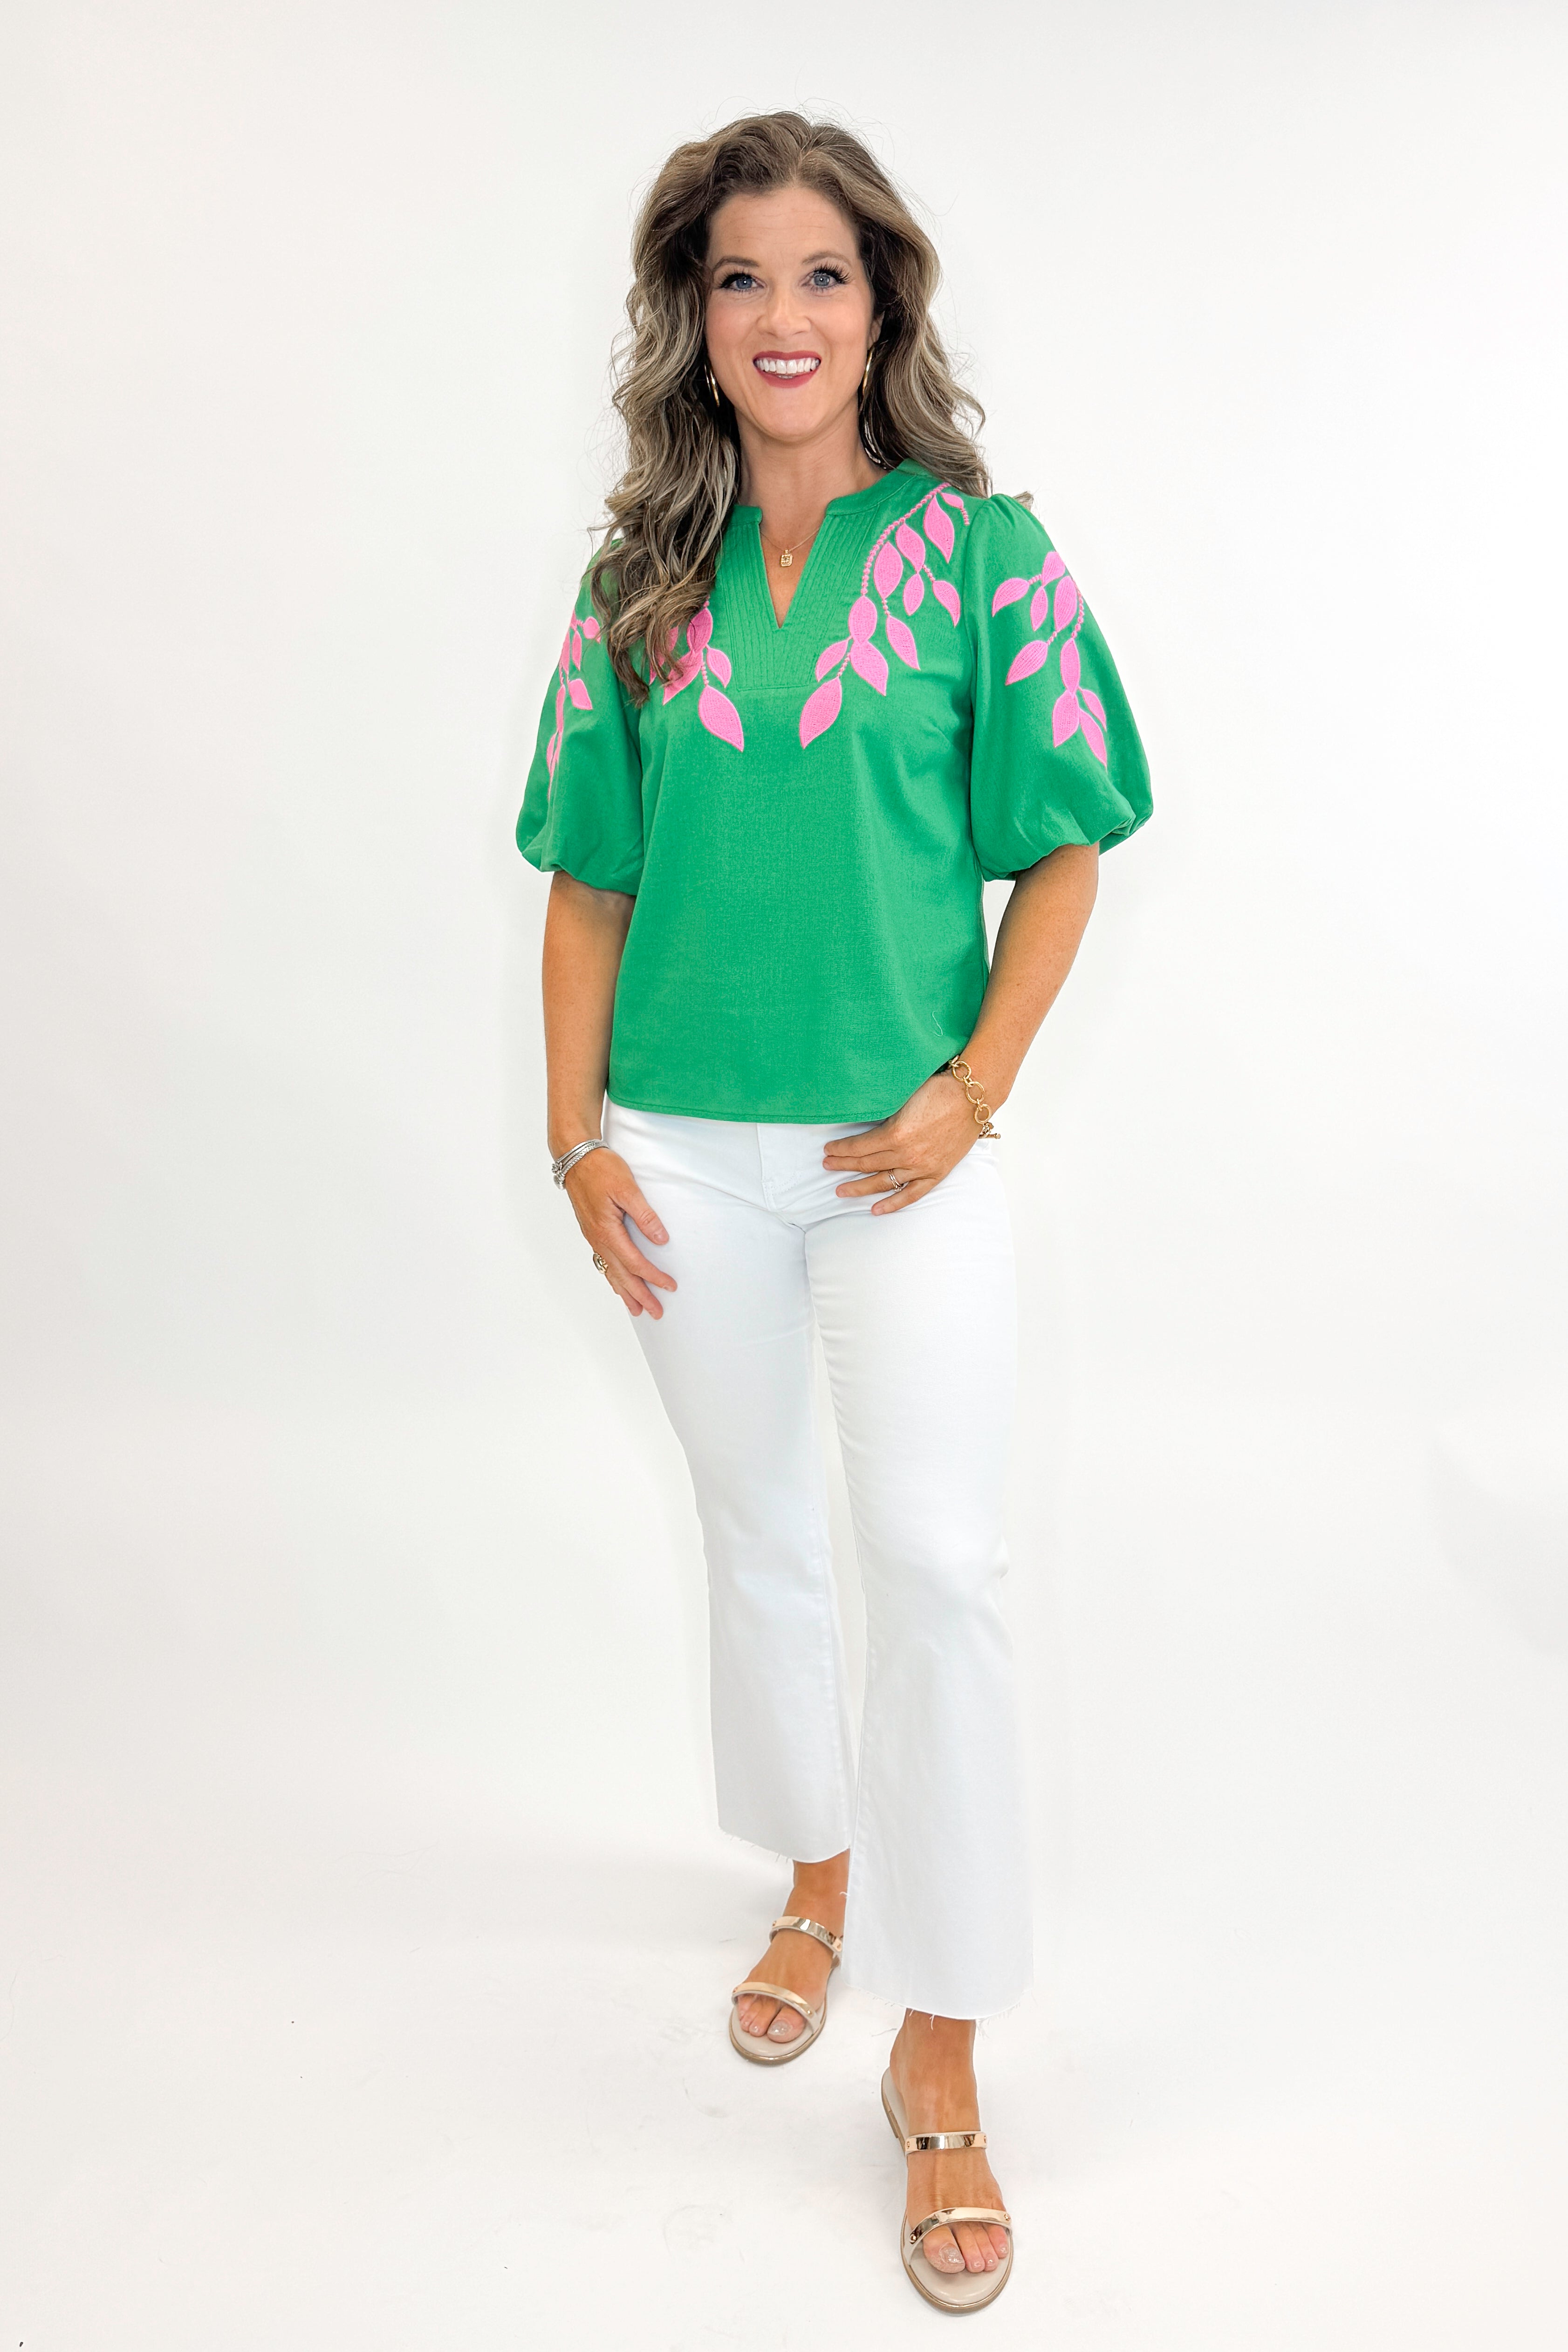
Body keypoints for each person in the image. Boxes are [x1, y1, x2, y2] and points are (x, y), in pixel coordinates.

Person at [516, 110, 1150, 2313]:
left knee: (943, 1567)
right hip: (678, 1151)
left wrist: (973, 1093)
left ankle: (943, 2052)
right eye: (735, 281)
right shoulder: (636, 589)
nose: (779, 319)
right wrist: (574, 1136)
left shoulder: (985, 559)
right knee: (760, 1527)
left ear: (881, 307)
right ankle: (813, 1868)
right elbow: (588, 879)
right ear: (687, 326)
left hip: (902, 1162)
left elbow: (1066, 845)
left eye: (819, 276)